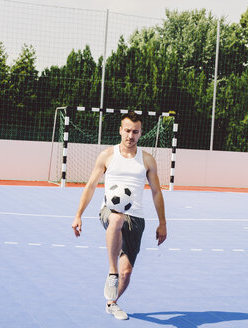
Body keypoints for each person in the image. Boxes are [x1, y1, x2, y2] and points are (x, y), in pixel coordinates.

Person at [71, 111, 167, 320]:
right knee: (116, 217)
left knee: (127, 273)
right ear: (120, 130)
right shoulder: (107, 155)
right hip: (109, 211)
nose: (130, 135)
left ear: (141, 133)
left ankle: (111, 302)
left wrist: (162, 223)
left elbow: (157, 192)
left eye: (135, 132)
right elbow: (91, 186)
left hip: (136, 218)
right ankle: (111, 272)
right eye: (127, 130)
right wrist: (78, 215)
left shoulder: (147, 160)